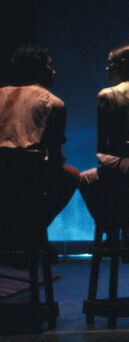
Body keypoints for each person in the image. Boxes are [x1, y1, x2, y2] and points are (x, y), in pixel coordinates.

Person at [0, 45, 80, 245]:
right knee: (71, 177)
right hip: (28, 171)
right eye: (49, 66)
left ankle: (15, 229)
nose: (53, 71)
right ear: (36, 69)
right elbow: (55, 155)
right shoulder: (52, 102)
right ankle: (32, 229)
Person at [79, 45, 129, 220]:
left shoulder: (108, 95)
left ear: (122, 63)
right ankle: (124, 231)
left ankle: (107, 226)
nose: (107, 68)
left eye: (110, 63)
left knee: (84, 179)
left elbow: (102, 145)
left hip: (118, 169)